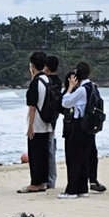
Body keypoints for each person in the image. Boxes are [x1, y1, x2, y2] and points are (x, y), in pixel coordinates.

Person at [59, 61, 97, 198]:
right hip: (89, 126)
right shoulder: (93, 87)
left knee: (74, 157)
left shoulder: (81, 90)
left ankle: (72, 190)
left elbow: (65, 102)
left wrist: (70, 88)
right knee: (85, 158)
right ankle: (82, 189)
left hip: (79, 124)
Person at [18, 52, 52, 193]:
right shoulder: (47, 80)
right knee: (44, 153)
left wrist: (30, 126)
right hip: (47, 122)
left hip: (37, 123)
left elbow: (32, 107)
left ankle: (35, 183)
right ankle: (43, 182)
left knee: (35, 154)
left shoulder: (35, 83)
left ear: (32, 66)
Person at [44, 55, 64, 189]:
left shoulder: (47, 82)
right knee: (51, 151)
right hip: (54, 120)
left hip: (48, 121)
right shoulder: (59, 82)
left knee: (48, 152)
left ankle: (49, 181)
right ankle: (51, 180)